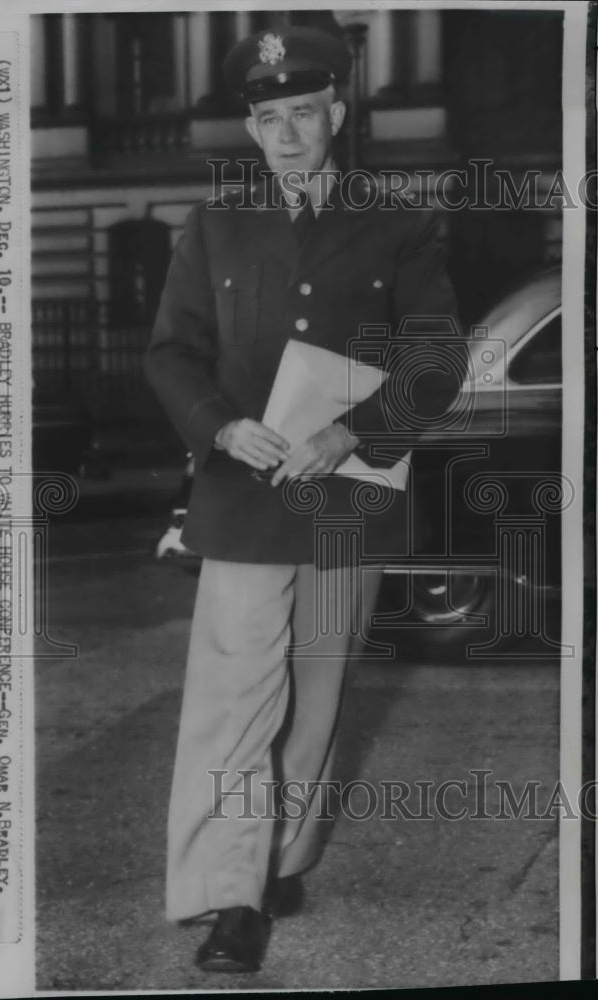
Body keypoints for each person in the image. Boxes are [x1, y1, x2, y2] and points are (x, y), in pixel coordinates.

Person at [145, 25, 463, 973]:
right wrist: (217, 425)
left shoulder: (397, 221)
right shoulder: (214, 227)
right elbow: (171, 353)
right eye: (267, 117)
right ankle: (228, 896)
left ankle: (283, 859)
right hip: (244, 493)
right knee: (231, 697)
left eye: (302, 114)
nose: (285, 134)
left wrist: (353, 429)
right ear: (251, 126)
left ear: (335, 114)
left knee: (316, 696)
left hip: (347, 495)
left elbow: (436, 356)